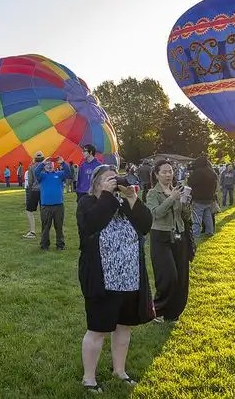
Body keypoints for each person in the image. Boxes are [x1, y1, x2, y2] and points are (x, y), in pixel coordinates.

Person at [76, 164, 153, 392]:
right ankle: (89, 378)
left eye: (116, 178)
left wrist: (132, 198)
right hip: (102, 278)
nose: (114, 182)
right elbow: (92, 224)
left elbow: (145, 225)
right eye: (108, 179)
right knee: (98, 328)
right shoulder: (87, 203)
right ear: (96, 183)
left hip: (129, 277)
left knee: (124, 327)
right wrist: (107, 196)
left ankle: (120, 371)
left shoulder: (124, 203)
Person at [146, 160, 192, 323]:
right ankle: (158, 310)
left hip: (179, 235)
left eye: (170, 171)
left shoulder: (177, 191)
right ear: (157, 174)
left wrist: (185, 203)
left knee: (181, 277)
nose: (168, 175)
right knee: (168, 276)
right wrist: (171, 199)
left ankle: (173, 313)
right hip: (161, 237)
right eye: (164, 172)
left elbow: (185, 216)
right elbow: (155, 214)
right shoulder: (152, 193)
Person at [35, 156, 72, 251]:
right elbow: (36, 172)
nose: (49, 166)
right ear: (44, 166)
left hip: (58, 205)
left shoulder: (59, 174)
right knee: (45, 226)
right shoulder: (42, 176)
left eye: (50, 164)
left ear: (54, 165)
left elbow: (68, 173)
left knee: (59, 226)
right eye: (47, 164)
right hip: (46, 206)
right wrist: (42, 163)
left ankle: (60, 245)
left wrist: (63, 163)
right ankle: (44, 245)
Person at [187, 157, 218, 236]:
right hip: (209, 199)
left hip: (198, 199)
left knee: (197, 217)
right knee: (208, 216)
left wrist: (189, 177)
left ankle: (195, 233)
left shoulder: (197, 173)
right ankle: (210, 231)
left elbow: (190, 183)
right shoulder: (212, 173)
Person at [23, 152, 44, 239]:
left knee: (29, 210)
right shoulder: (46, 167)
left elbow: (30, 181)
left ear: (34, 159)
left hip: (35, 190)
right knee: (44, 211)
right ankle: (44, 231)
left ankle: (32, 231)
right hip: (44, 190)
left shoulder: (32, 167)